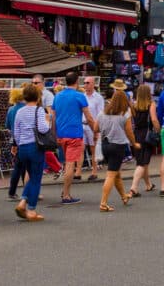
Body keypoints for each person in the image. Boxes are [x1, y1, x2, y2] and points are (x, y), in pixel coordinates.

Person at [53, 72, 96, 205]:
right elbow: (88, 117)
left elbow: (53, 118)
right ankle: (66, 195)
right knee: (71, 164)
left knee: (66, 163)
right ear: (77, 81)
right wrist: (95, 129)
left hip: (61, 134)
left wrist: (54, 134)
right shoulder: (79, 96)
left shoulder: (57, 96)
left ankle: (65, 191)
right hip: (74, 134)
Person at [13, 83, 53, 222]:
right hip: (35, 147)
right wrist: (48, 122)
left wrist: (18, 145)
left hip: (23, 147)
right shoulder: (39, 110)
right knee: (36, 179)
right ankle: (31, 209)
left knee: (31, 175)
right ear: (38, 96)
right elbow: (42, 129)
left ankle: (23, 202)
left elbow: (16, 132)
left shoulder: (19, 111)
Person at [95, 90, 138, 212]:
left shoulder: (102, 112)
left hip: (105, 144)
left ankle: (124, 196)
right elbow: (129, 131)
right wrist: (134, 143)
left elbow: (95, 128)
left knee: (116, 172)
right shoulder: (125, 113)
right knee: (111, 175)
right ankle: (103, 203)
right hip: (118, 145)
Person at [129, 84, 159, 196]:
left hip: (136, 134)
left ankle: (148, 184)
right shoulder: (151, 104)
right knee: (142, 163)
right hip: (146, 134)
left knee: (142, 160)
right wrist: (158, 130)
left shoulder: (133, 106)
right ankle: (134, 188)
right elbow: (154, 120)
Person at [82, 77, 105, 181]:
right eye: (84, 83)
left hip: (93, 125)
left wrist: (97, 129)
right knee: (80, 148)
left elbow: (100, 114)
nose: (85, 85)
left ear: (93, 84)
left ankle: (94, 171)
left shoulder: (98, 98)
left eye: (87, 83)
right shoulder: (82, 96)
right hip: (82, 125)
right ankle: (78, 171)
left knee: (93, 148)